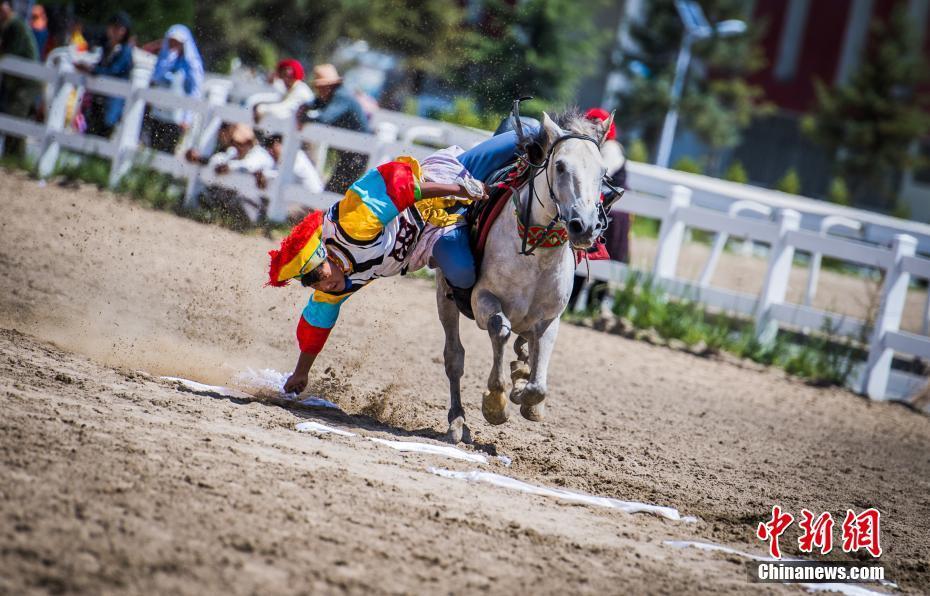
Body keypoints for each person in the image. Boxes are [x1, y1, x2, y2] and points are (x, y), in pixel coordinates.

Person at [567, 107, 632, 312]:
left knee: (604, 263)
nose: (595, 126)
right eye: (591, 122)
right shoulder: (592, 146)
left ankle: (591, 309)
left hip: (611, 216)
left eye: (598, 123)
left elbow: (598, 173)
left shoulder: (610, 149)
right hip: (598, 211)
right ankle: (571, 304)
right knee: (581, 257)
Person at [296, 63, 370, 194]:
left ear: (330, 86)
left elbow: (325, 118)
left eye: (321, 87)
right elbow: (316, 103)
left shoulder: (341, 97)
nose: (319, 90)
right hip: (352, 153)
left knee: (334, 192)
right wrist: (305, 107)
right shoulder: (335, 95)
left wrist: (304, 118)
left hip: (357, 154)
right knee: (335, 191)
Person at [143, 24, 203, 153]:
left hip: (177, 117)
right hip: (158, 112)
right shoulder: (164, 59)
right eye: (171, 41)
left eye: (177, 42)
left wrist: (187, 118)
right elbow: (155, 79)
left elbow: (195, 92)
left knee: (168, 150)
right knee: (152, 148)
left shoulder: (191, 65)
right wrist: (168, 60)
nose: (174, 45)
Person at [75, 12, 132, 138]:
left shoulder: (125, 51)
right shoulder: (107, 46)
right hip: (99, 95)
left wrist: (92, 69)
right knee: (91, 127)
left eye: (119, 28)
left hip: (113, 99)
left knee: (104, 130)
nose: (115, 31)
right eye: (113, 27)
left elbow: (114, 71)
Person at [0, 0, 39, 157]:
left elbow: (9, 50)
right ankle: (11, 157)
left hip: (26, 82)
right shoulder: (8, 25)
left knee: (16, 117)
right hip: (17, 81)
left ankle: (16, 157)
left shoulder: (15, 25)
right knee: (11, 116)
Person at [255, 133, 323, 195]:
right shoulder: (283, 160)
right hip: (301, 201)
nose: (270, 151)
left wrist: (265, 175)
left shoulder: (296, 156)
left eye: (272, 146)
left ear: (281, 144)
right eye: (268, 148)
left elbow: (288, 174)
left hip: (313, 204)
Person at [253, 59, 312, 123]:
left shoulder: (301, 91)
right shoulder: (290, 88)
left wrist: (263, 109)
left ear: (295, 75)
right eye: (283, 75)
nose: (285, 80)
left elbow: (285, 109)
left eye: (289, 76)